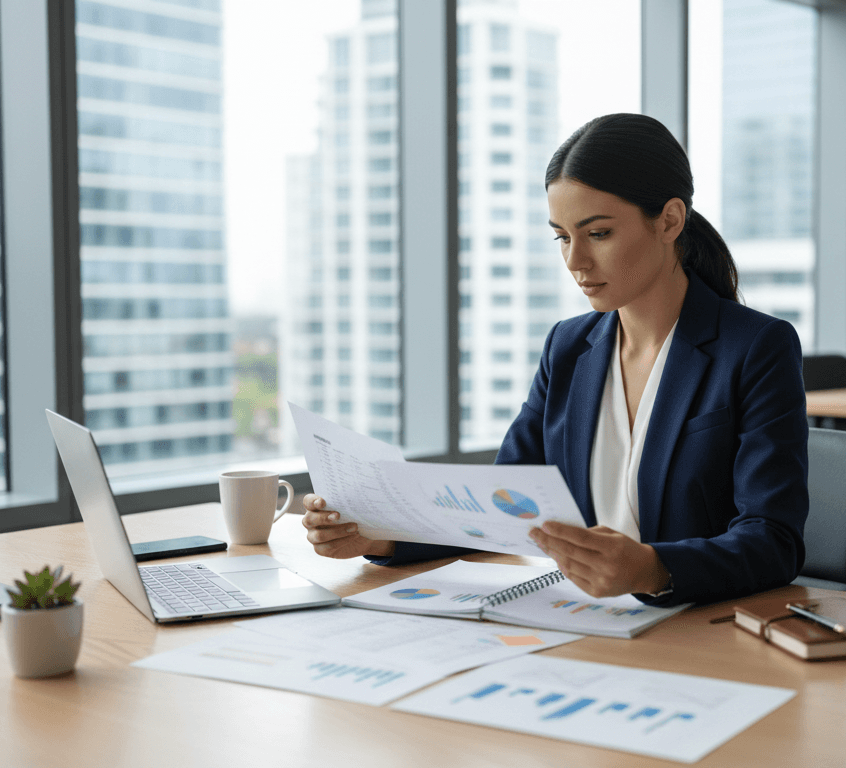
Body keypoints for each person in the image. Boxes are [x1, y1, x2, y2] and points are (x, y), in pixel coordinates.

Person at [301, 113, 808, 606]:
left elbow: (773, 539)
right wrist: (381, 539)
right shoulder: (568, 348)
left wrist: (655, 568)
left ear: (670, 220)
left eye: (599, 233)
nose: (575, 261)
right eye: (563, 237)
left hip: (697, 629)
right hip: (583, 622)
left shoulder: (755, 347)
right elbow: (501, 507)